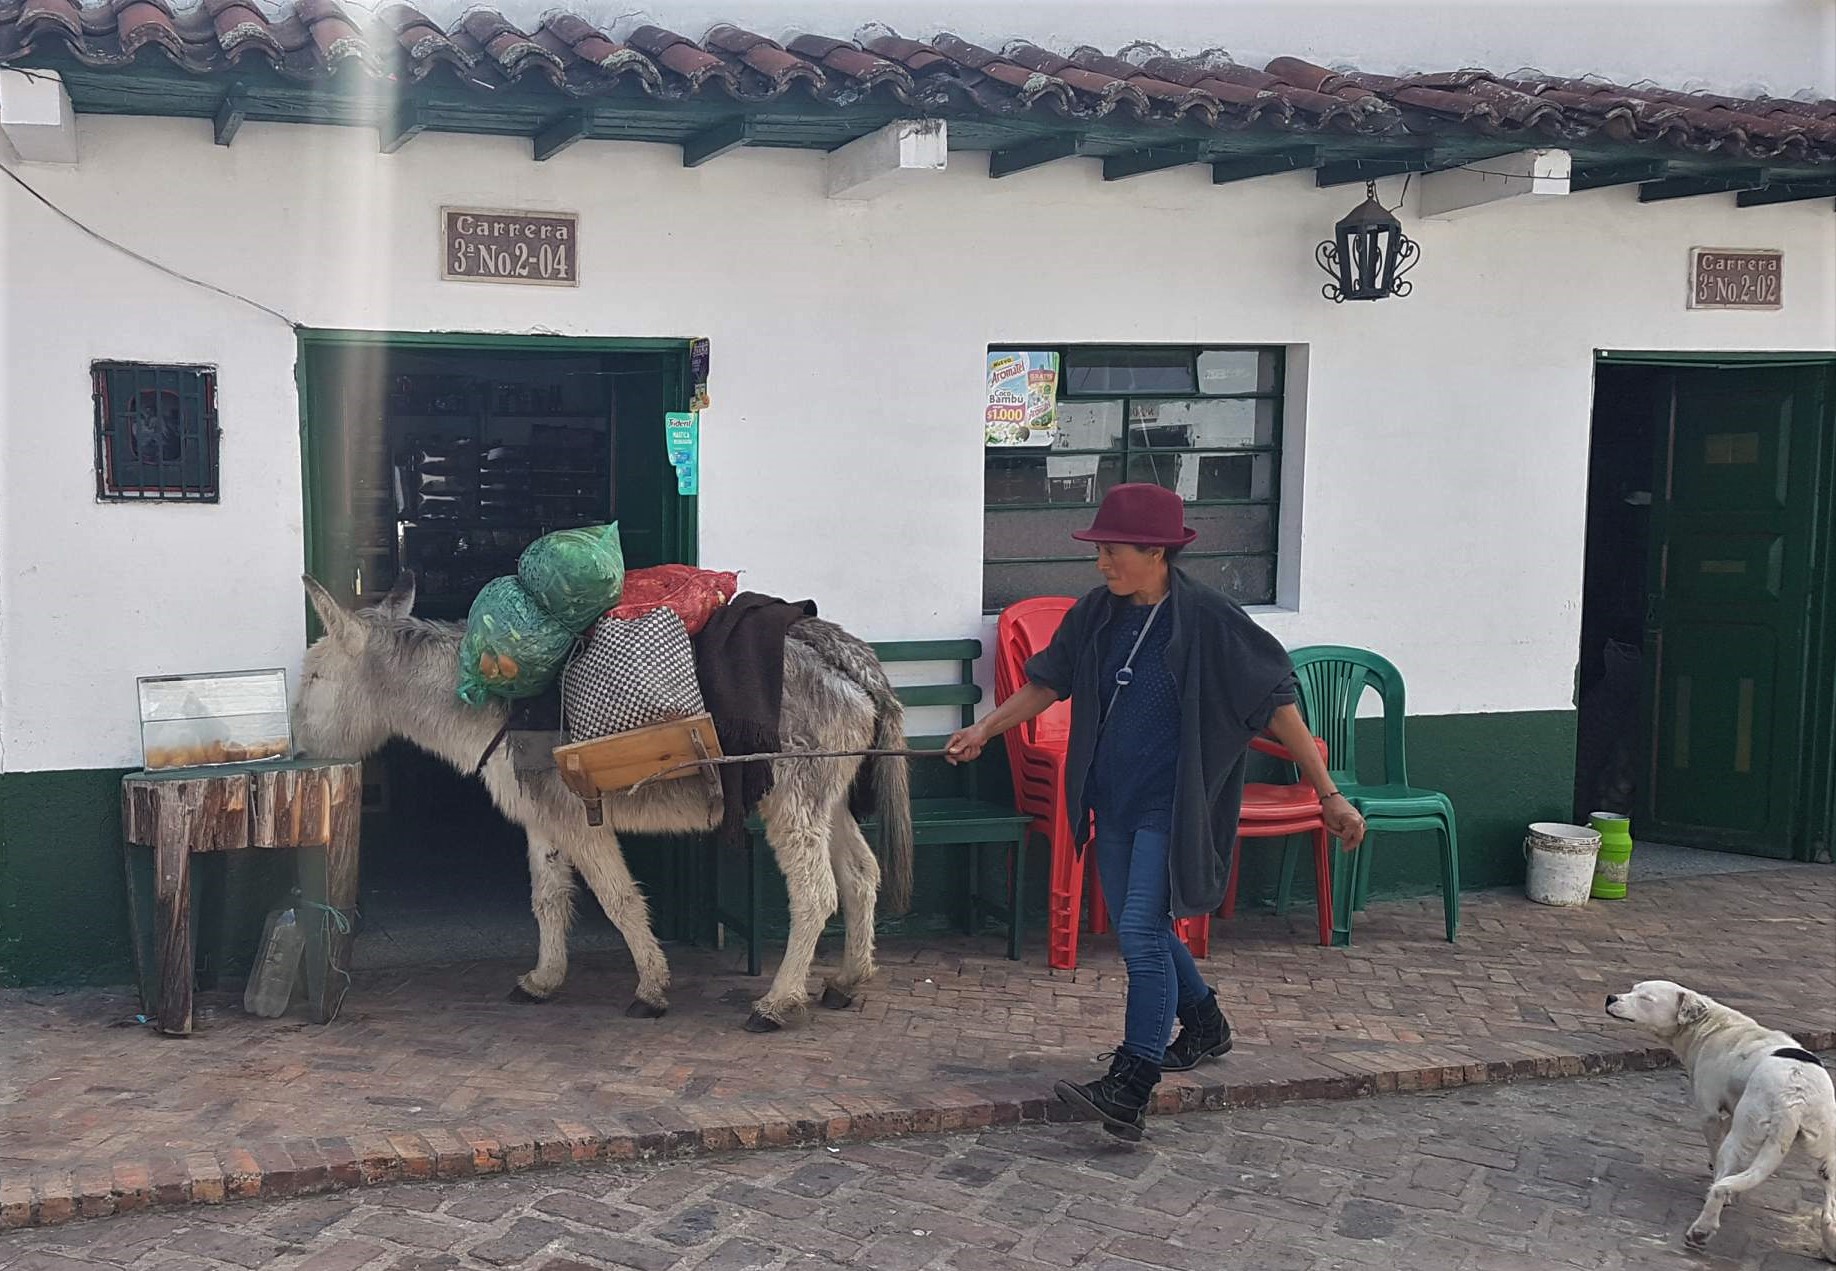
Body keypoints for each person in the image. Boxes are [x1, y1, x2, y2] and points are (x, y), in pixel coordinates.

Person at [947, 483, 1365, 1141]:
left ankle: (1131, 1083)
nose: (1101, 563)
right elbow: (1046, 683)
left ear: (1156, 552)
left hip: (1173, 801)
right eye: (1100, 550)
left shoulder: (1208, 618)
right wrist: (983, 730)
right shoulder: (1096, 613)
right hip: (1110, 795)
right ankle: (1204, 1022)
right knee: (1139, 926)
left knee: (1142, 932)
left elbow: (1278, 702)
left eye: (1112, 551)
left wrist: (1327, 793)